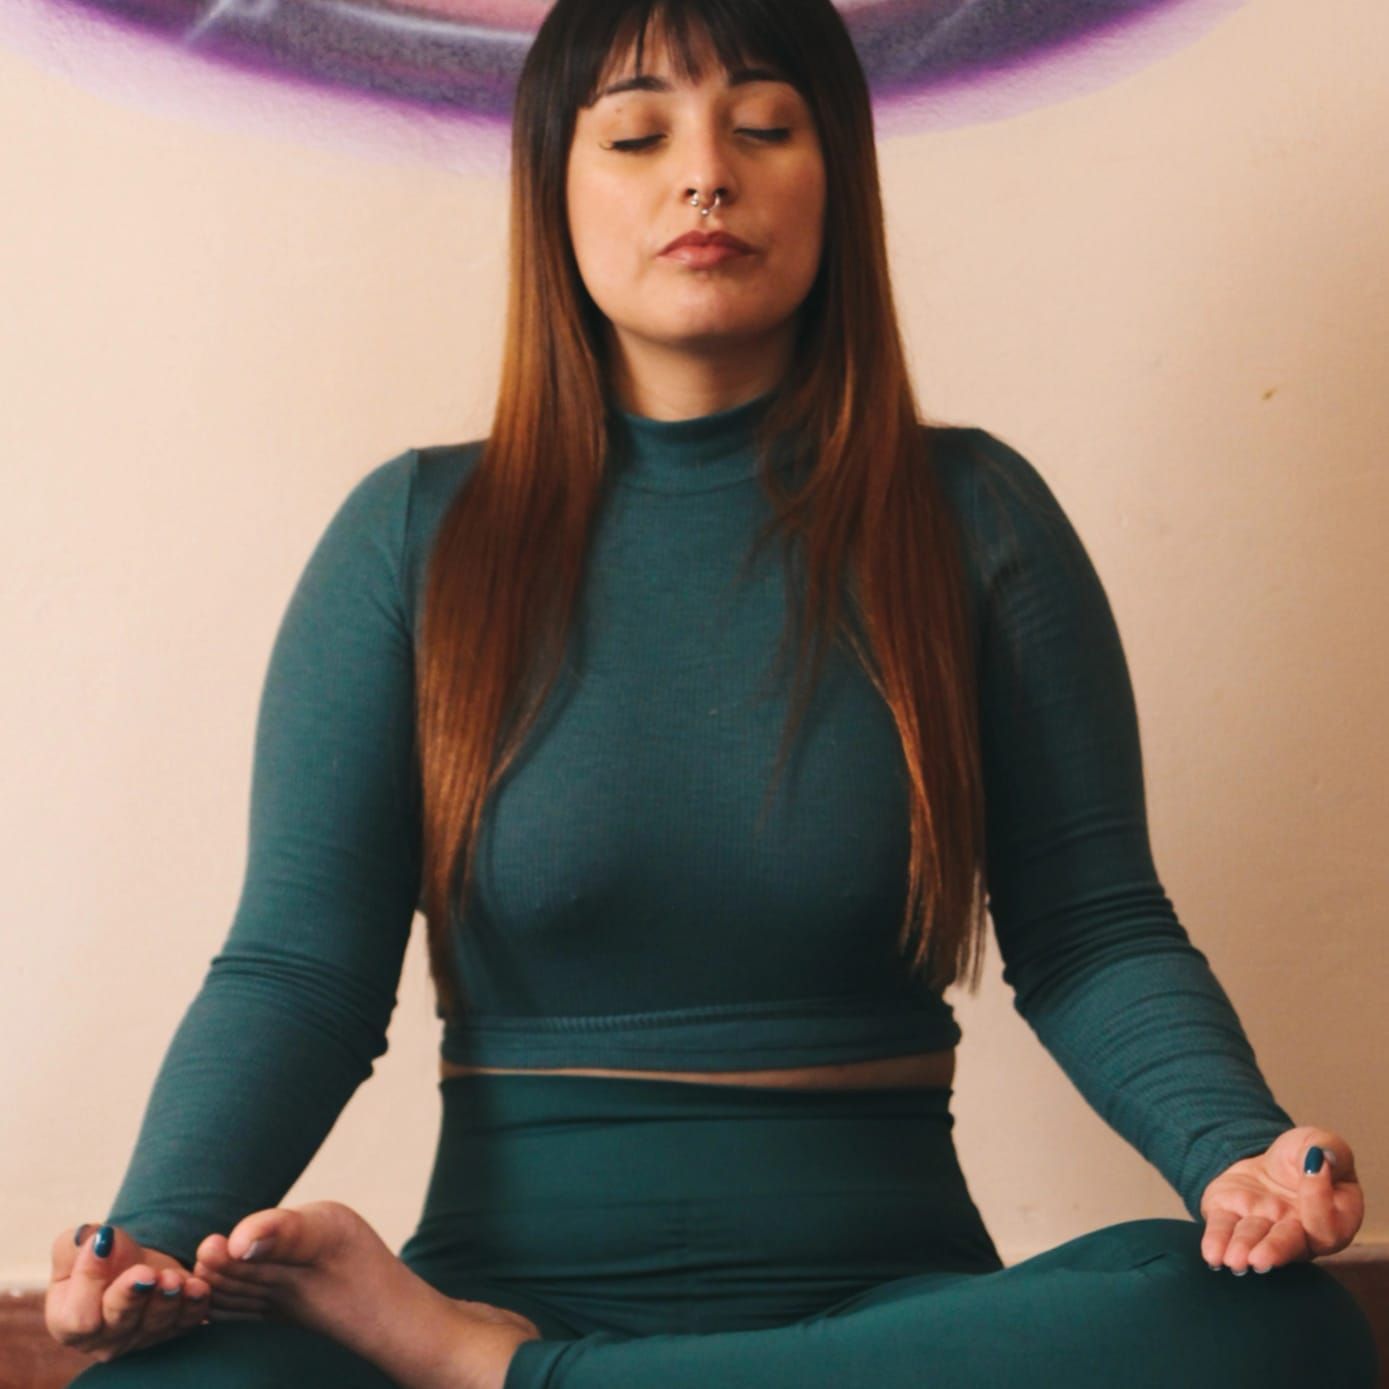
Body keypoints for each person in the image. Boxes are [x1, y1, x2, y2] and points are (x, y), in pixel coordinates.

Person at [47, 1, 1377, 1386]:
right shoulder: (414, 538)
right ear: (552, 190)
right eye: (636, 134)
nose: (703, 174)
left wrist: (1237, 1155)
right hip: (503, 1276)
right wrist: (152, 1235)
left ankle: (503, 1376)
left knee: (1273, 1333)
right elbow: (298, 973)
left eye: (762, 126)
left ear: (836, 177)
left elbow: (1094, 932)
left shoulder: (976, 518)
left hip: (883, 1314)